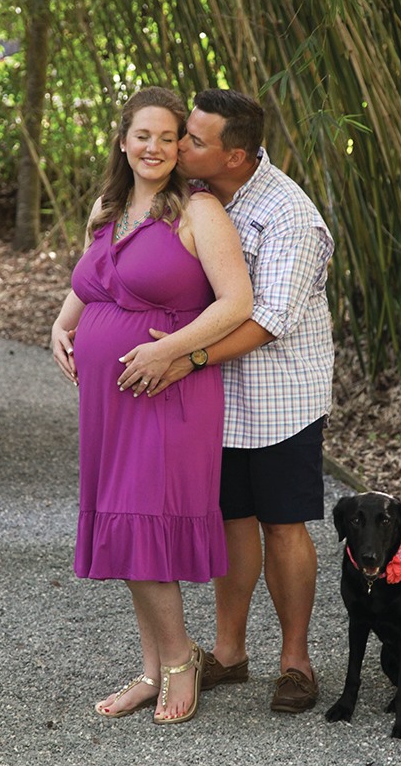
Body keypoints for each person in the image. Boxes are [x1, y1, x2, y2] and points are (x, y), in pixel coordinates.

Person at [50, 87, 252, 724]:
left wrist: (171, 354)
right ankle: (152, 667)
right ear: (123, 140)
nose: (156, 148)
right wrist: (62, 323)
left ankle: (177, 662)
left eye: (170, 138)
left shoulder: (198, 211)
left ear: (181, 147)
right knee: (126, 521)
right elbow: (92, 277)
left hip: (168, 390)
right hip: (110, 398)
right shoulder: (107, 207)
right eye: (144, 135)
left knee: (143, 521)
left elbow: (235, 304)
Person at [145, 88, 335, 713]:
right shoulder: (194, 196)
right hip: (216, 395)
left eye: (194, 140)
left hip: (282, 394)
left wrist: (185, 356)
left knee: (282, 522)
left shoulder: (290, 217)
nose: (179, 145)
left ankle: (296, 662)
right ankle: (229, 653)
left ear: (234, 157)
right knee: (231, 518)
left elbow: (268, 319)